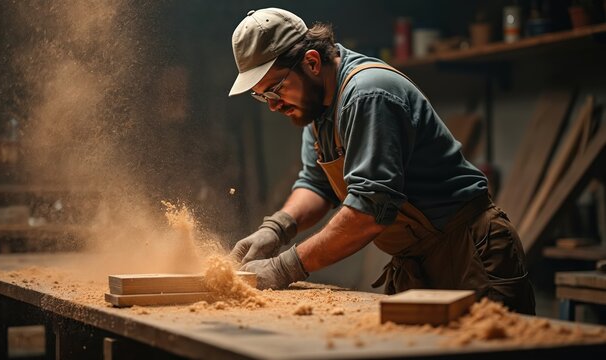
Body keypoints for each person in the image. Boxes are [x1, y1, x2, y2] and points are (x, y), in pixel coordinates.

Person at [227, 8, 535, 314]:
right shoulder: (317, 107)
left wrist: (285, 267)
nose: (273, 106)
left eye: (276, 90)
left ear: (311, 62)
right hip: (417, 259)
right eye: (263, 96)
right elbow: (317, 184)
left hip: (469, 253)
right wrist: (277, 228)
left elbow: (368, 212)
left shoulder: (367, 95)